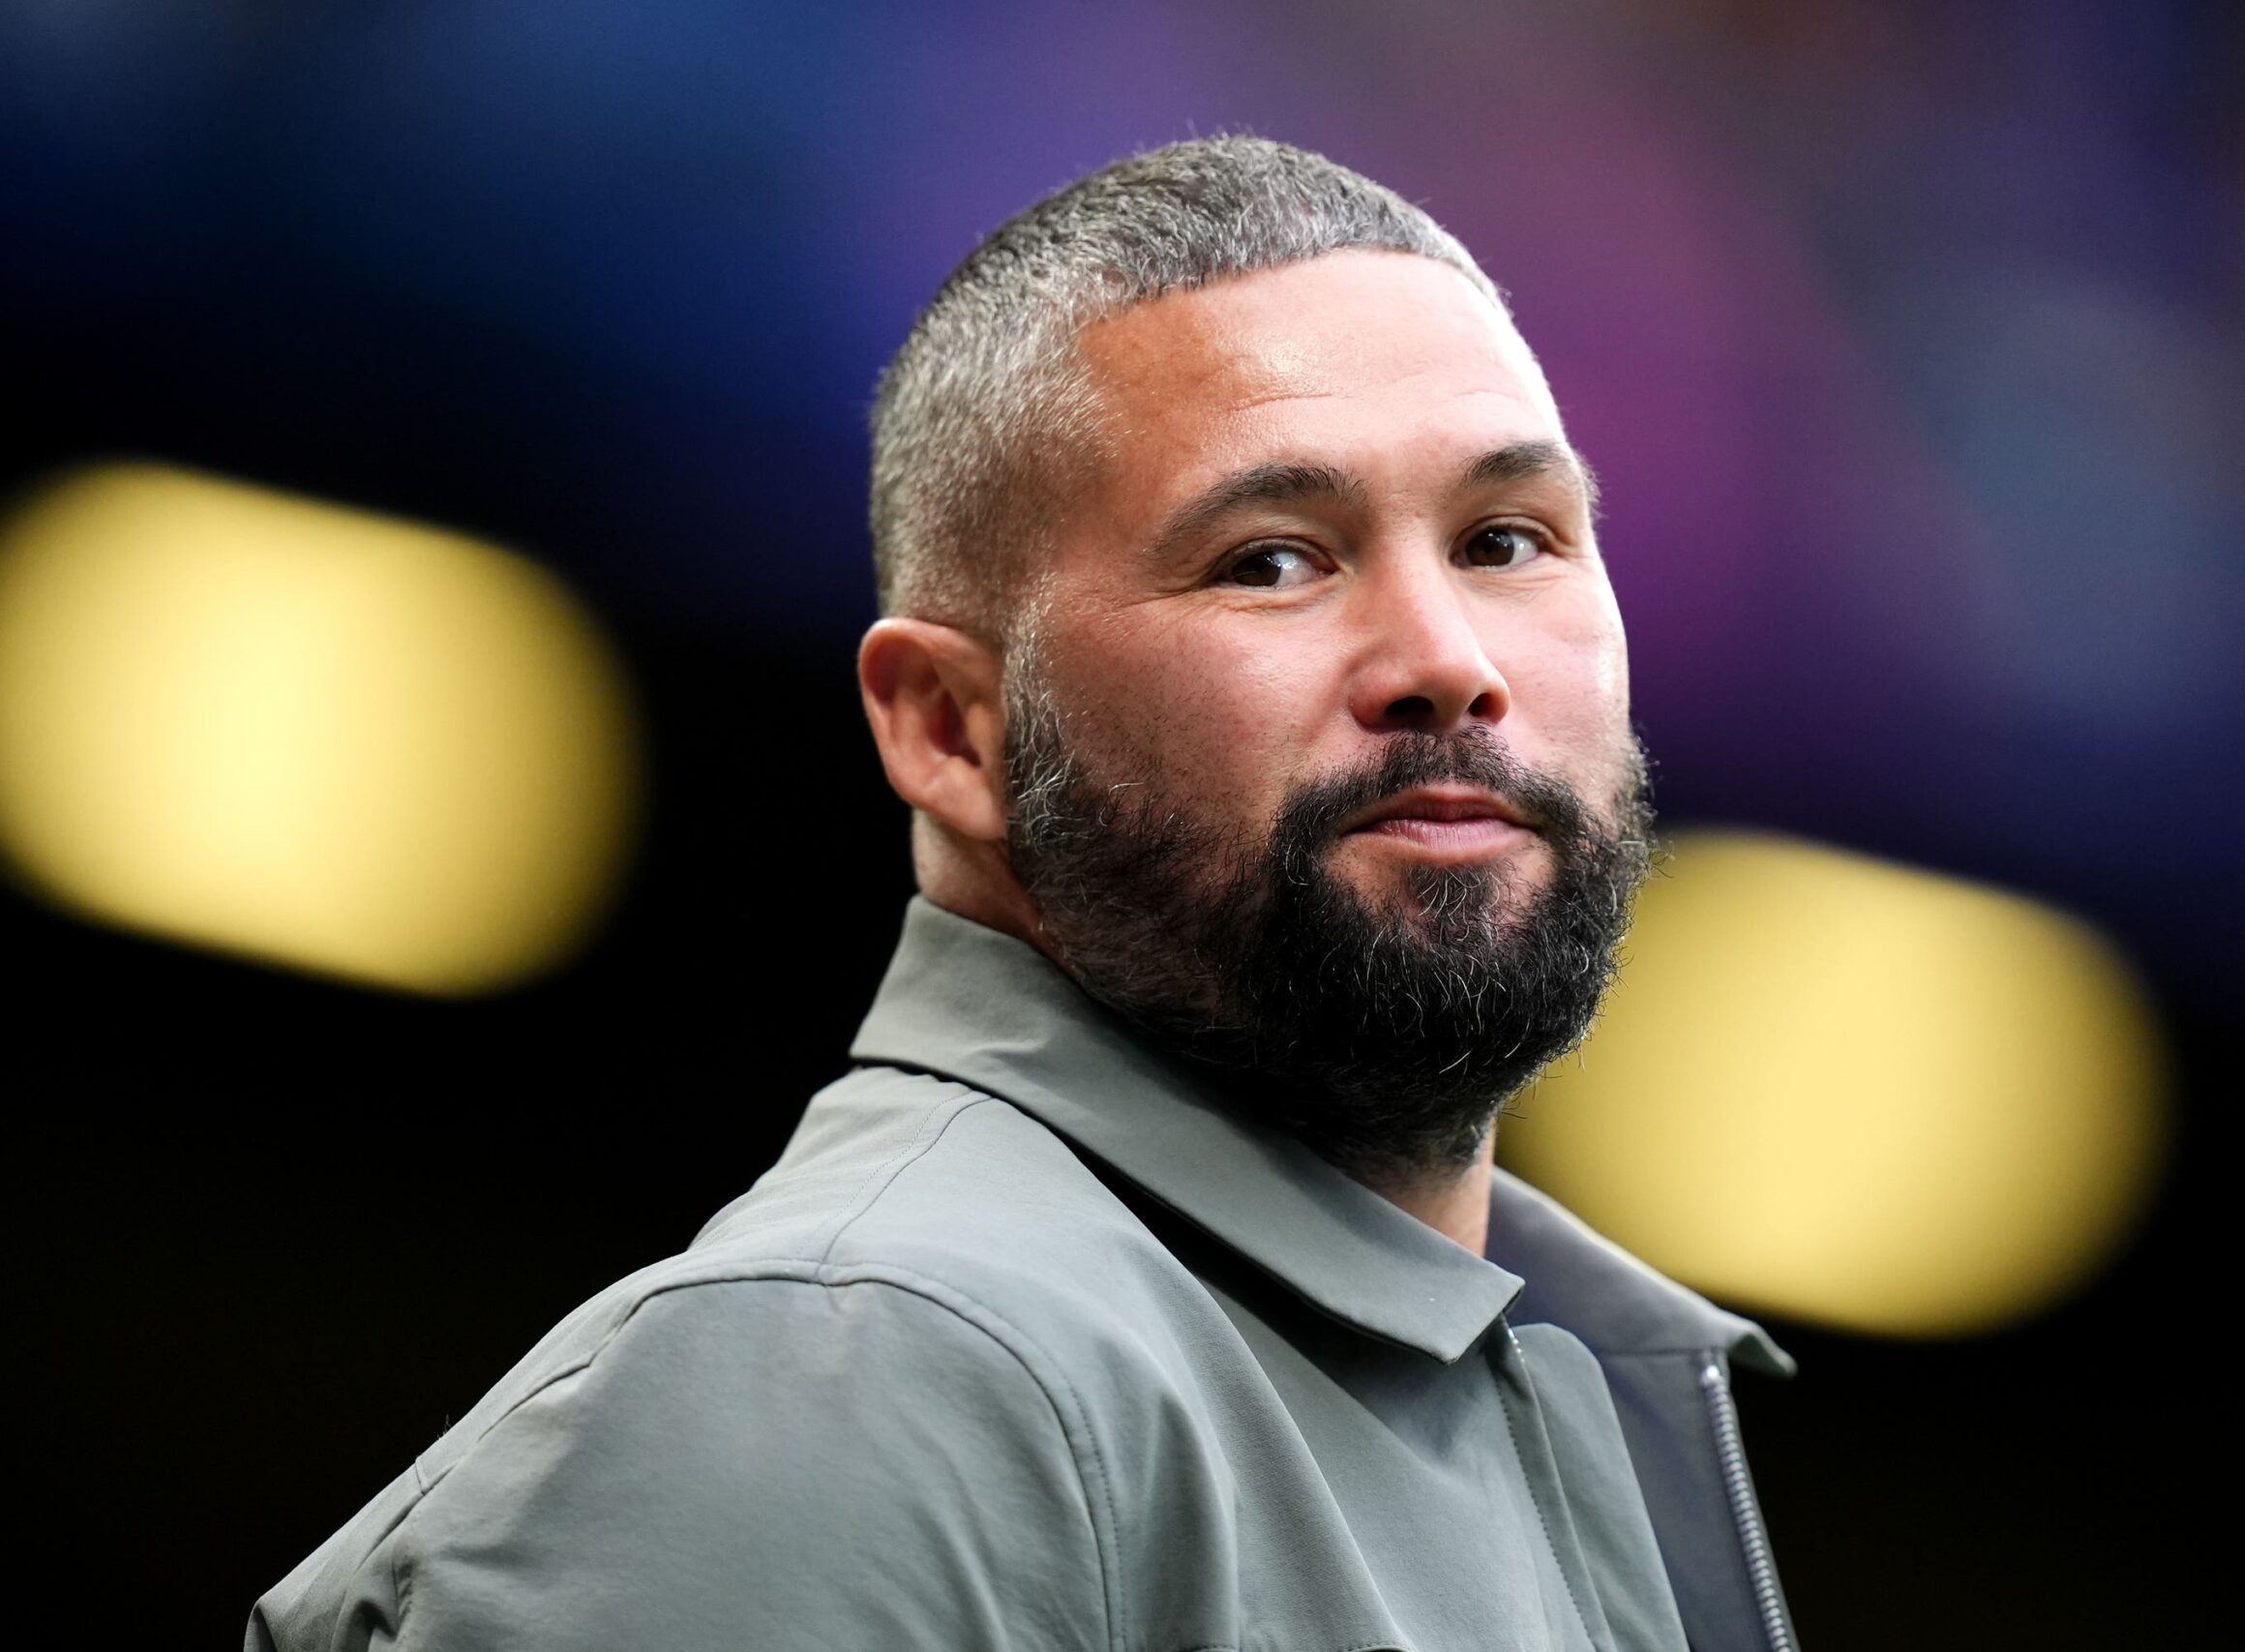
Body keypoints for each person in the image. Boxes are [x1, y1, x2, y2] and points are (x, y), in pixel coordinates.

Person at [251, 136, 1798, 1652]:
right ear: (949, 727)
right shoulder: (866, 1372)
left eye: (1507, 541)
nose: (1447, 662)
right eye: (1272, 561)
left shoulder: (1571, 1398)